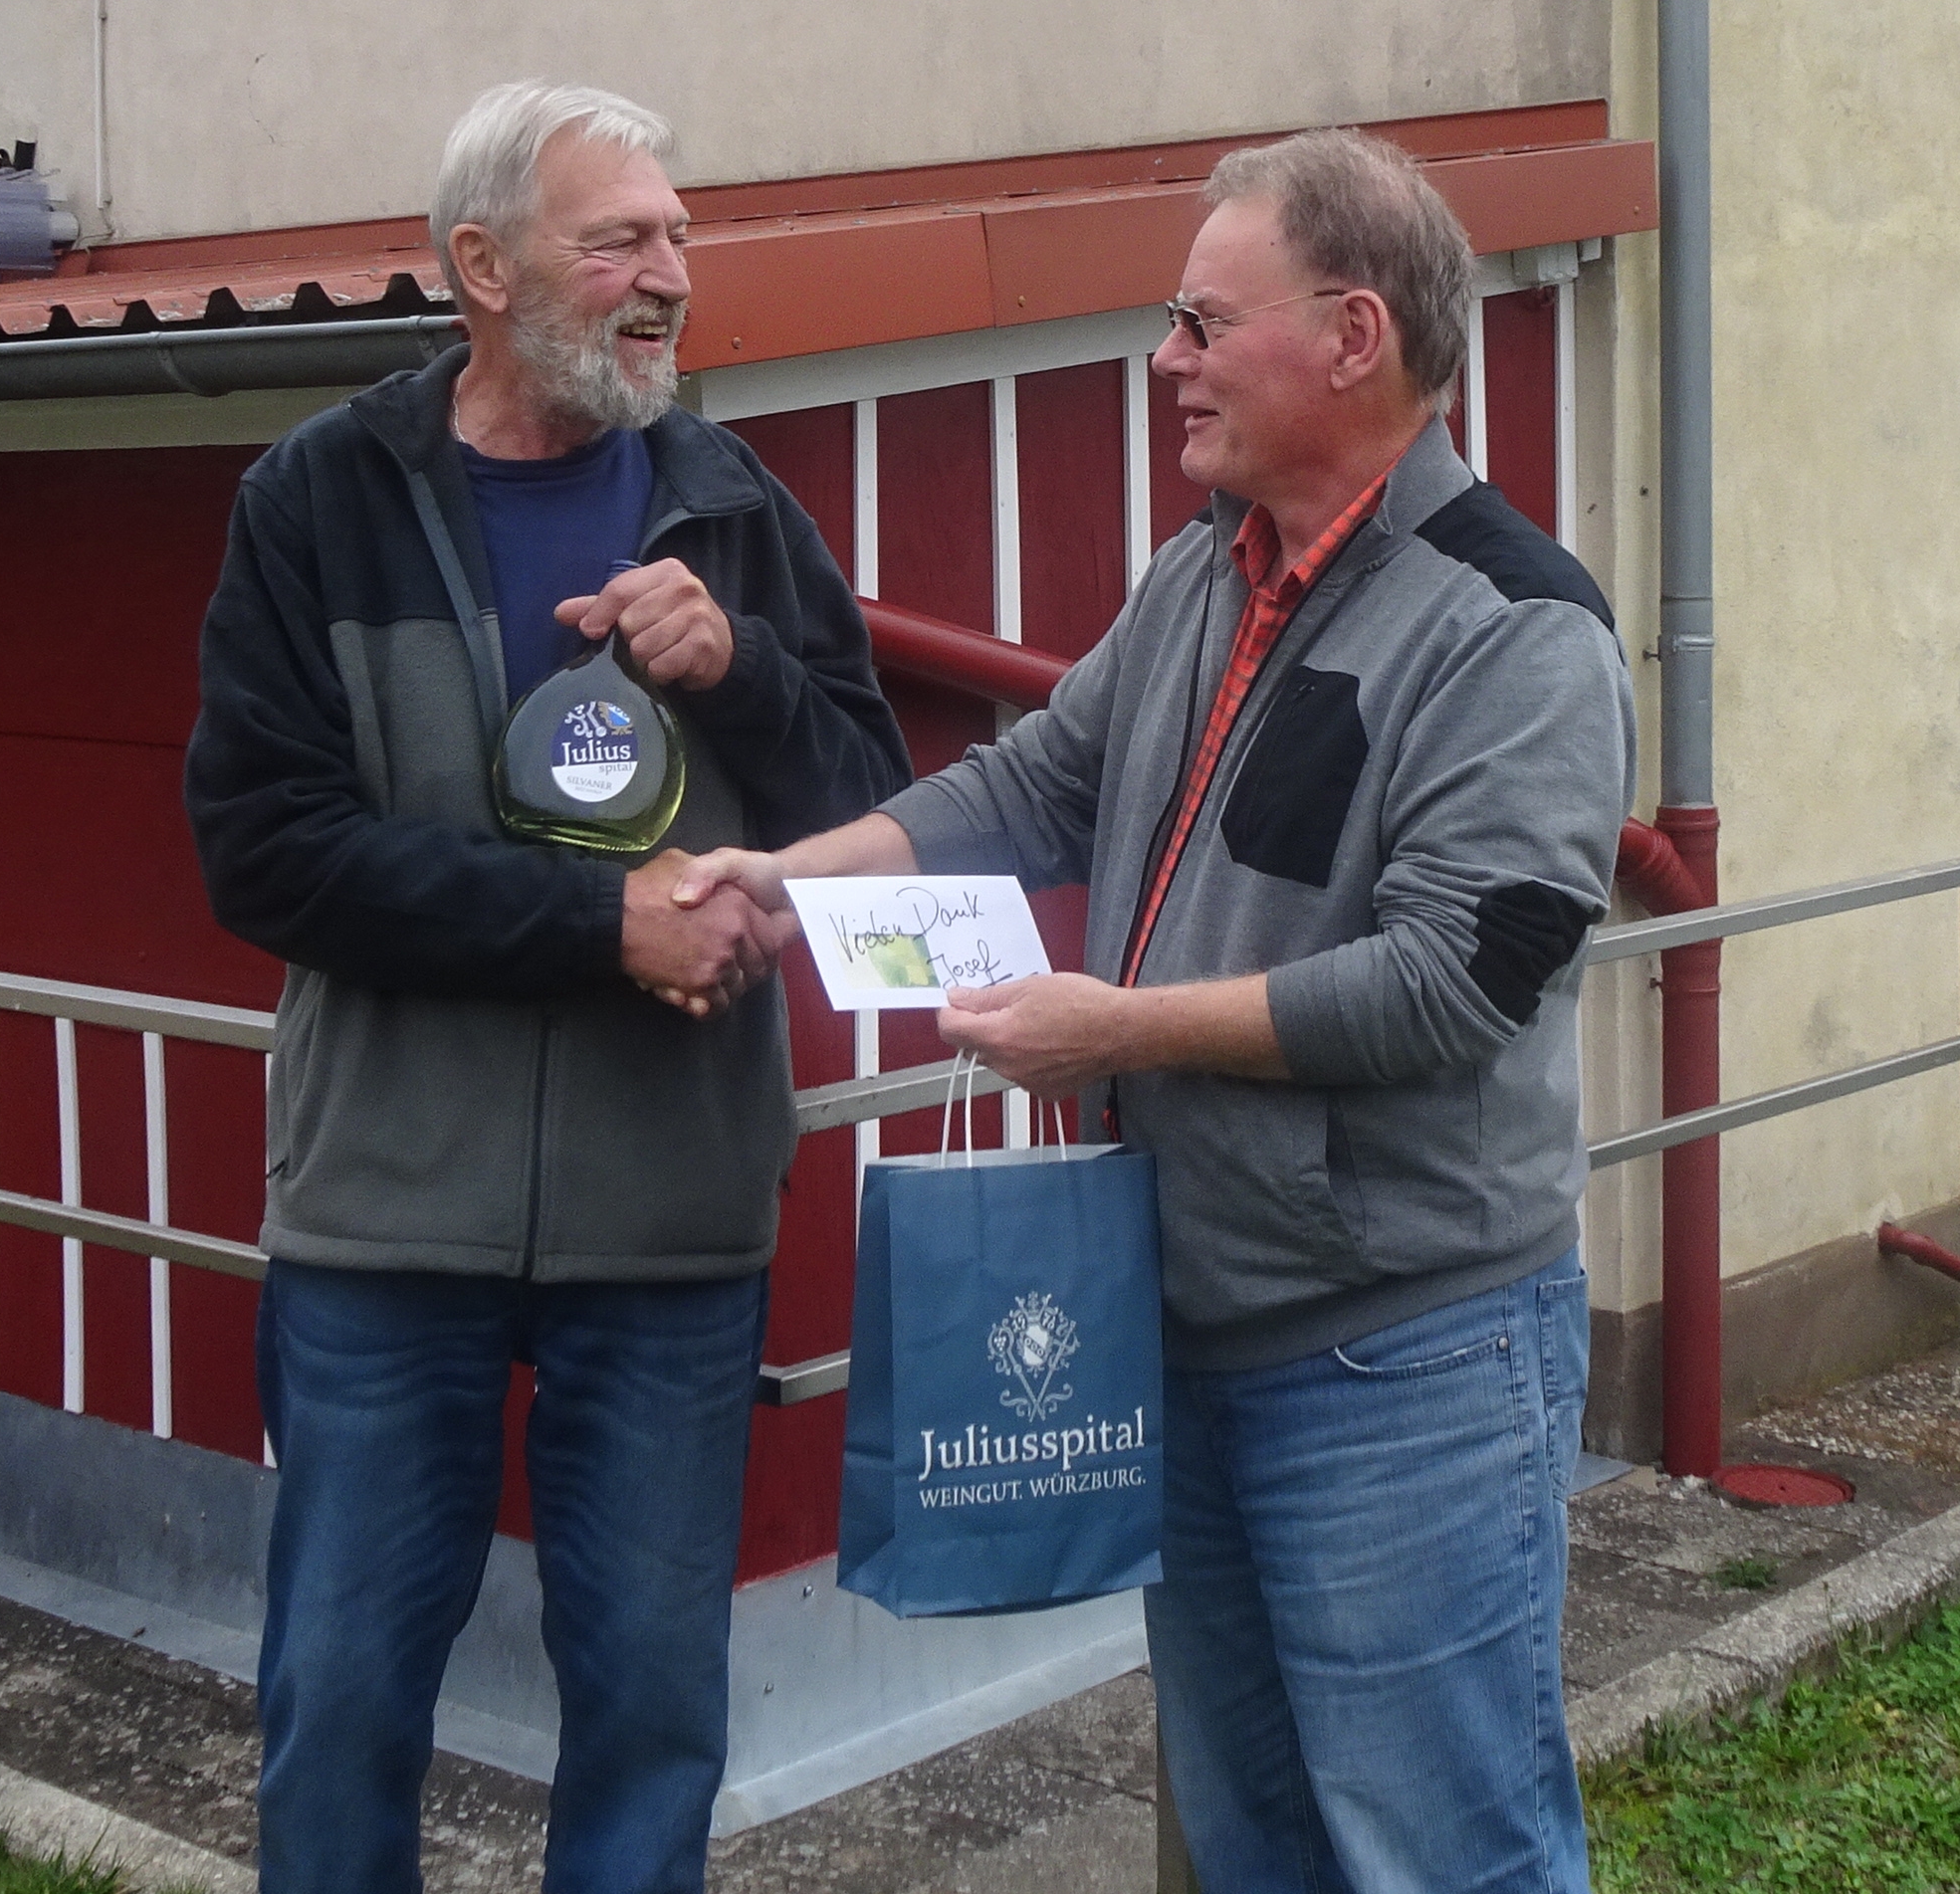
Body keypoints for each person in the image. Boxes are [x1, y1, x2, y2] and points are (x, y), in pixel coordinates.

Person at [682, 126, 1631, 1894]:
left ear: (1354, 337)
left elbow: (1454, 983)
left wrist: (1114, 1031)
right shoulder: (1213, 571)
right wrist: (795, 877)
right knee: (1255, 1847)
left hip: (1402, 1362)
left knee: (1444, 1855)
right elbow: (1042, 781)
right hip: (1187, 1339)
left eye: (1201, 319)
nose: (1163, 358)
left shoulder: (1516, 632)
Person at [187, 81, 905, 1894]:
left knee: (655, 1714)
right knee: (342, 1701)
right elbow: (267, 854)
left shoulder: (737, 511)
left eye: (678, 236)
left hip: (668, 1233)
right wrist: (601, 929)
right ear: (482, 268)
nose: (669, 276)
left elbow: (876, 813)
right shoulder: (318, 500)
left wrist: (740, 670)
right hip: (384, 1228)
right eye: (621, 241)